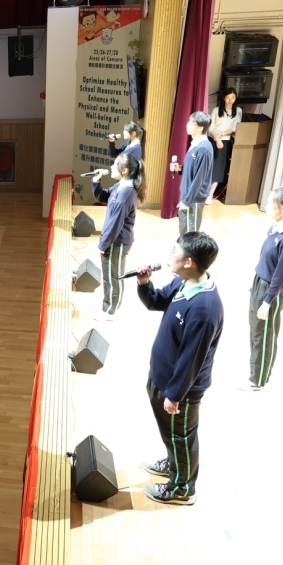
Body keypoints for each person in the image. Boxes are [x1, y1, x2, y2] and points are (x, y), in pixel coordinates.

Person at [135, 232, 222, 505]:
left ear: (189, 262)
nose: (171, 254)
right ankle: (174, 464)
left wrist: (174, 395)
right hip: (162, 378)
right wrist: (144, 284)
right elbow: (156, 301)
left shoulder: (204, 308)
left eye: (175, 251)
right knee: (171, 435)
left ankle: (183, 489)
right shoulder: (183, 282)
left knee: (181, 437)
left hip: (180, 390)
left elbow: (191, 359)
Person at [244, 186, 283, 392]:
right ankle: (255, 373)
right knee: (256, 331)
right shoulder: (275, 227)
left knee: (264, 335)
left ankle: (257, 381)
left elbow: (282, 275)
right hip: (260, 284)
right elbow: (267, 260)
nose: (267, 207)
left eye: (271, 203)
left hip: (272, 291)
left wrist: (267, 301)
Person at [91, 153, 146, 321]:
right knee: (109, 276)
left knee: (114, 277)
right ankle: (107, 308)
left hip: (118, 242)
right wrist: (96, 182)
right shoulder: (121, 185)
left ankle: (110, 311)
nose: (111, 167)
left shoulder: (126, 193)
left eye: (115, 165)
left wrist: (103, 244)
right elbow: (103, 196)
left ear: (124, 170)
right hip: (113, 240)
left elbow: (116, 223)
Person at [169, 112, 214, 235]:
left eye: (191, 123)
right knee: (184, 229)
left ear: (200, 127)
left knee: (190, 233)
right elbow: (194, 169)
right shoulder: (195, 144)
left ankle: (188, 249)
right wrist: (180, 168)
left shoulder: (204, 148)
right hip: (188, 194)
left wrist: (187, 200)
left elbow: (200, 178)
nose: (187, 125)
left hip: (194, 198)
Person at [208, 88, 242, 203]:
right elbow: (210, 128)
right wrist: (216, 138)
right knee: (208, 166)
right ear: (223, 98)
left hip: (225, 141)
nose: (230, 100)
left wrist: (221, 135)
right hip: (212, 140)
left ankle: (210, 195)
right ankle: (203, 192)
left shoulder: (238, 111)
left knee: (219, 168)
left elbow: (234, 128)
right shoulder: (216, 110)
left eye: (233, 98)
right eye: (228, 98)